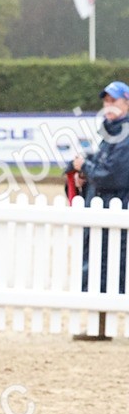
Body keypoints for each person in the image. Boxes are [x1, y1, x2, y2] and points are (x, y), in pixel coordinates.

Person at [73, 80, 129, 293]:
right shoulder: (111, 133)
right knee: (98, 261)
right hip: (104, 207)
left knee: (112, 264)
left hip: (117, 209)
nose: (108, 106)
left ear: (126, 104)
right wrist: (85, 176)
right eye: (106, 101)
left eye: (114, 101)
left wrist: (85, 167)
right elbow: (102, 167)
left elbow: (113, 175)